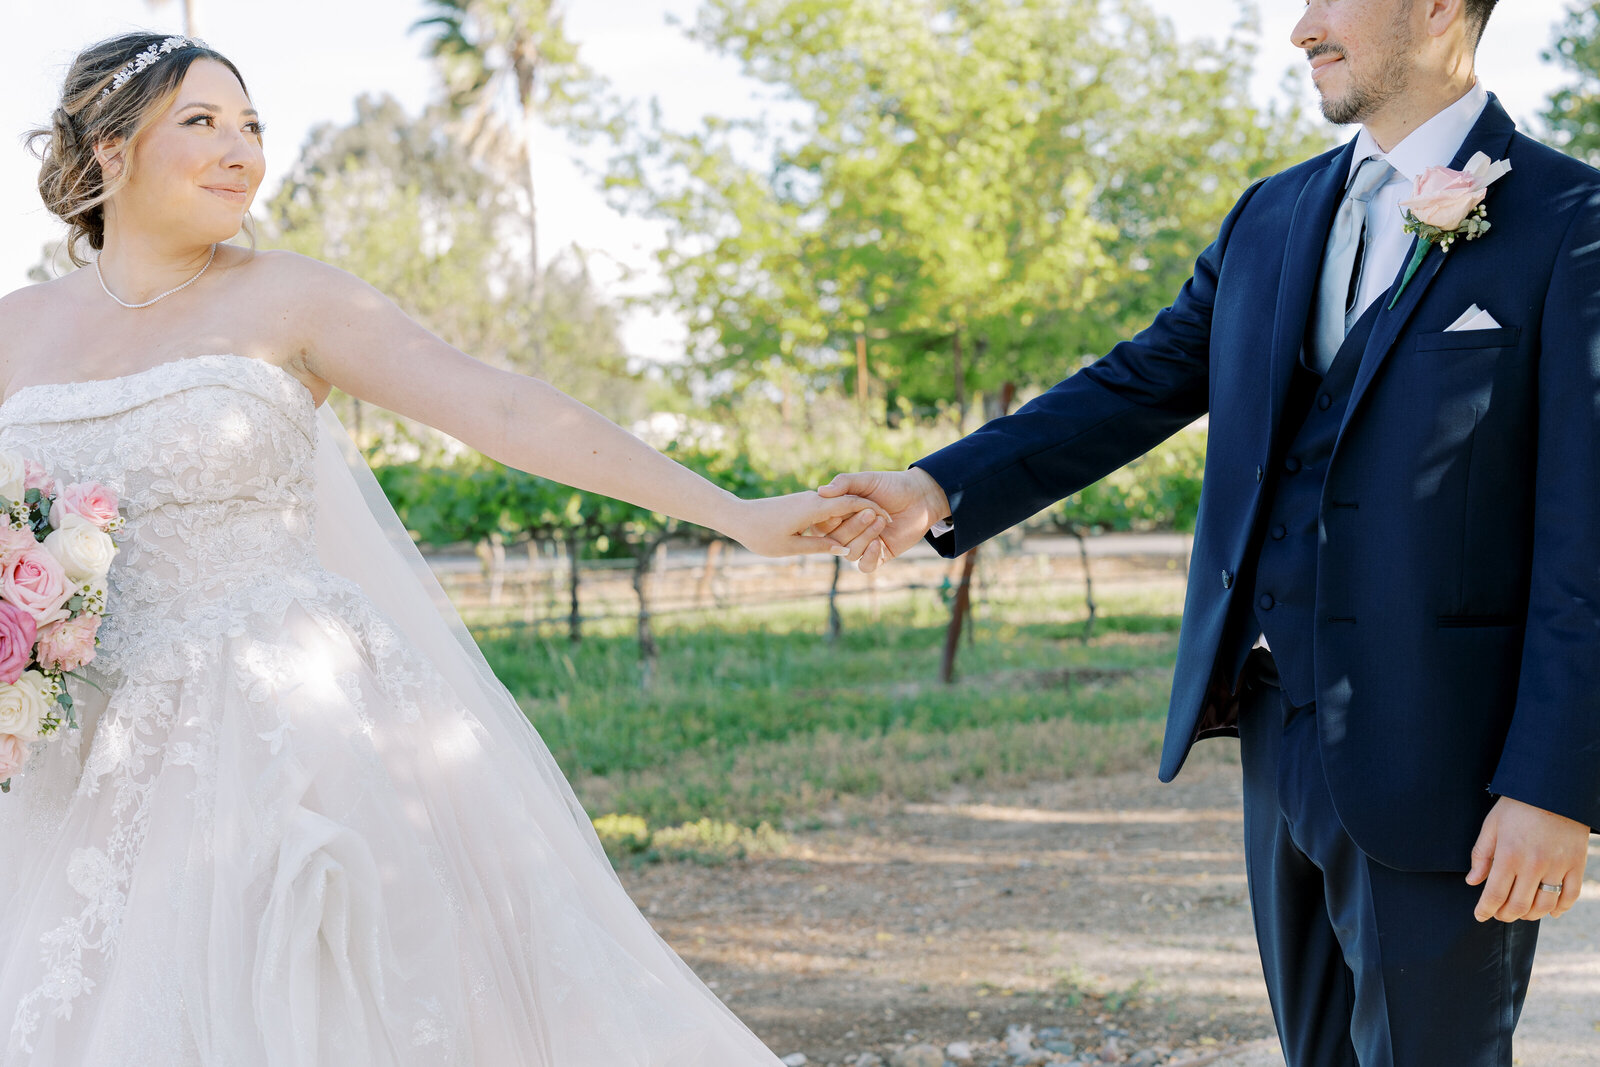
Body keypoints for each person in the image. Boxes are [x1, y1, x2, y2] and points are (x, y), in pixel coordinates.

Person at [0, 31, 891, 1065]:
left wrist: (732, 511)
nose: (239, 149)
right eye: (200, 121)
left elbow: (503, 408)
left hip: (282, 724)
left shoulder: (293, 300)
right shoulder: (17, 329)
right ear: (108, 148)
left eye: (251, 126)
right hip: (77, 750)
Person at [821, 0, 1599, 1063]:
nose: (1301, 29)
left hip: (1450, 755)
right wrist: (933, 486)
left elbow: (1585, 535)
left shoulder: (1570, 220)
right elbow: (1135, 383)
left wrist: (1556, 783)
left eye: (1331, 0)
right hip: (1274, 723)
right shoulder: (1270, 217)